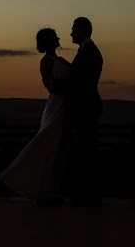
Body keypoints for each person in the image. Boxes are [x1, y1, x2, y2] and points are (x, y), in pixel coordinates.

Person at [0, 28, 71, 201]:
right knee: (50, 144)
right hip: (57, 105)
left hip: (65, 104)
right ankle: (44, 187)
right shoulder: (46, 62)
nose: (58, 38)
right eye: (55, 37)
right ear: (49, 41)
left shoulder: (60, 60)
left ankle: (53, 186)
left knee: (58, 147)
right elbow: (50, 86)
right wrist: (66, 89)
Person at [48, 16, 103, 206]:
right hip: (86, 106)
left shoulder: (89, 52)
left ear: (82, 30)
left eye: (73, 29)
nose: (70, 33)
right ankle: (86, 194)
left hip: (85, 107)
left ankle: (88, 195)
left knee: (87, 150)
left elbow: (81, 81)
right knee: (86, 149)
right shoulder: (88, 51)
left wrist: (59, 83)